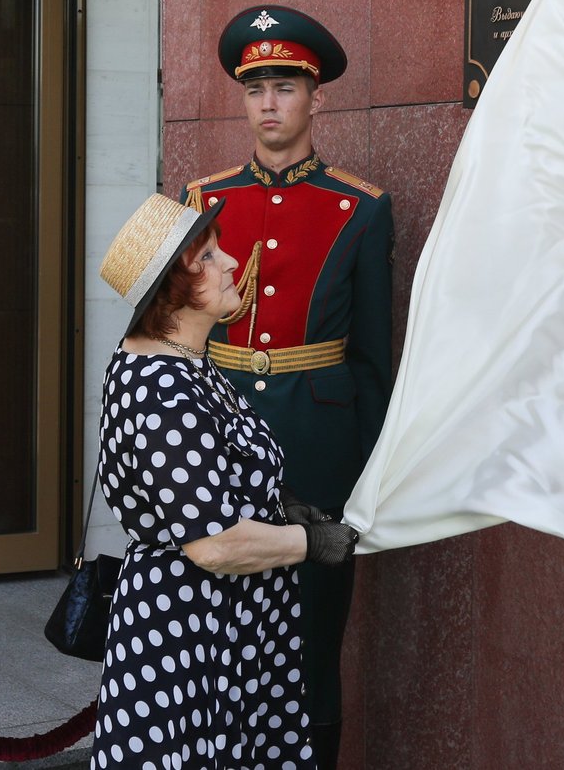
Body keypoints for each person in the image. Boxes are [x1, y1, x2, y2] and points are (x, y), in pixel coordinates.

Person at [183, 3, 392, 766]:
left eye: (285, 87)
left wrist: (368, 477)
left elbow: (373, 358)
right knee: (215, 630)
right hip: (217, 437)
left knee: (309, 643)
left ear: (316, 97)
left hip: (319, 446)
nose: (268, 103)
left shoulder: (361, 208)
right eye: (255, 88)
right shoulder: (203, 201)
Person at [92, 191, 359, 769]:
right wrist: (312, 543)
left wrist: (283, 509)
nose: (232, 262)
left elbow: (224, 478)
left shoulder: (187, 362)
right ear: (172, 291)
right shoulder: (161, 389)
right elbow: (214, 544)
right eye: (208, 258)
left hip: (233, 626)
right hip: (191, 636)